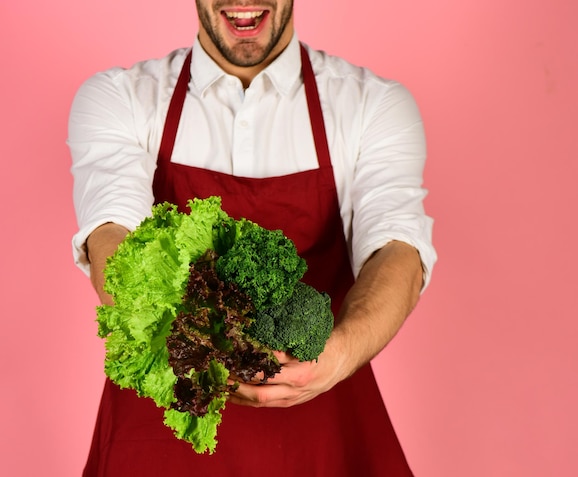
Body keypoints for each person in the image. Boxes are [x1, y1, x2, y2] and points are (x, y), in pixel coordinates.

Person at [68, 1, 436, 475]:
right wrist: (200, 348)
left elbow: (398, 250)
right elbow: (112, 232)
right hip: (160, 430)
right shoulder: (121, 98)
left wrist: (337, 354)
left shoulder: (372, 104)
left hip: (323, 430)